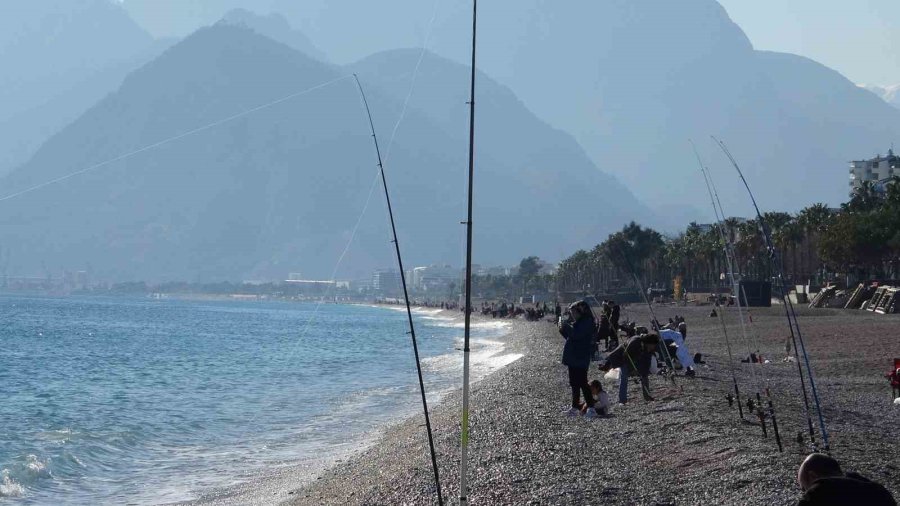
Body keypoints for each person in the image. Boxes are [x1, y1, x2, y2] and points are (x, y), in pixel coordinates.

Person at [797, 453, 896, 505]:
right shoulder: (879, 491)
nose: (805, 492)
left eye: (804, 488)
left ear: (813, 476)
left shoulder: (817, 493)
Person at [559, 300, 598, 417]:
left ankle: (591, 408)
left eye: (574, 313)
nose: (572, 315)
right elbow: (571, 337)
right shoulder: (581, 322)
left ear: (581, 311)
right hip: (574, 357)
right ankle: (575, 406)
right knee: (574, 383)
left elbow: (576, 335)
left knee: (582, 383)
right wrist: (562, 329)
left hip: (580, 357)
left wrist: (566, 326)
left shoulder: (587, 322)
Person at [601, 333, 659, 403]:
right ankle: (622, 400)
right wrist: (632, 370)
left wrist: (644, 372)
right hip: (622, 358)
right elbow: (626, 356)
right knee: (624, 377)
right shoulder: (635, 341)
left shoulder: (649, 349)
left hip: (634, 359)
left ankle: (647, 396)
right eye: (653, 345)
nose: (653, 347)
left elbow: (646, 362)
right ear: (649, 343)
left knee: (645, 377)